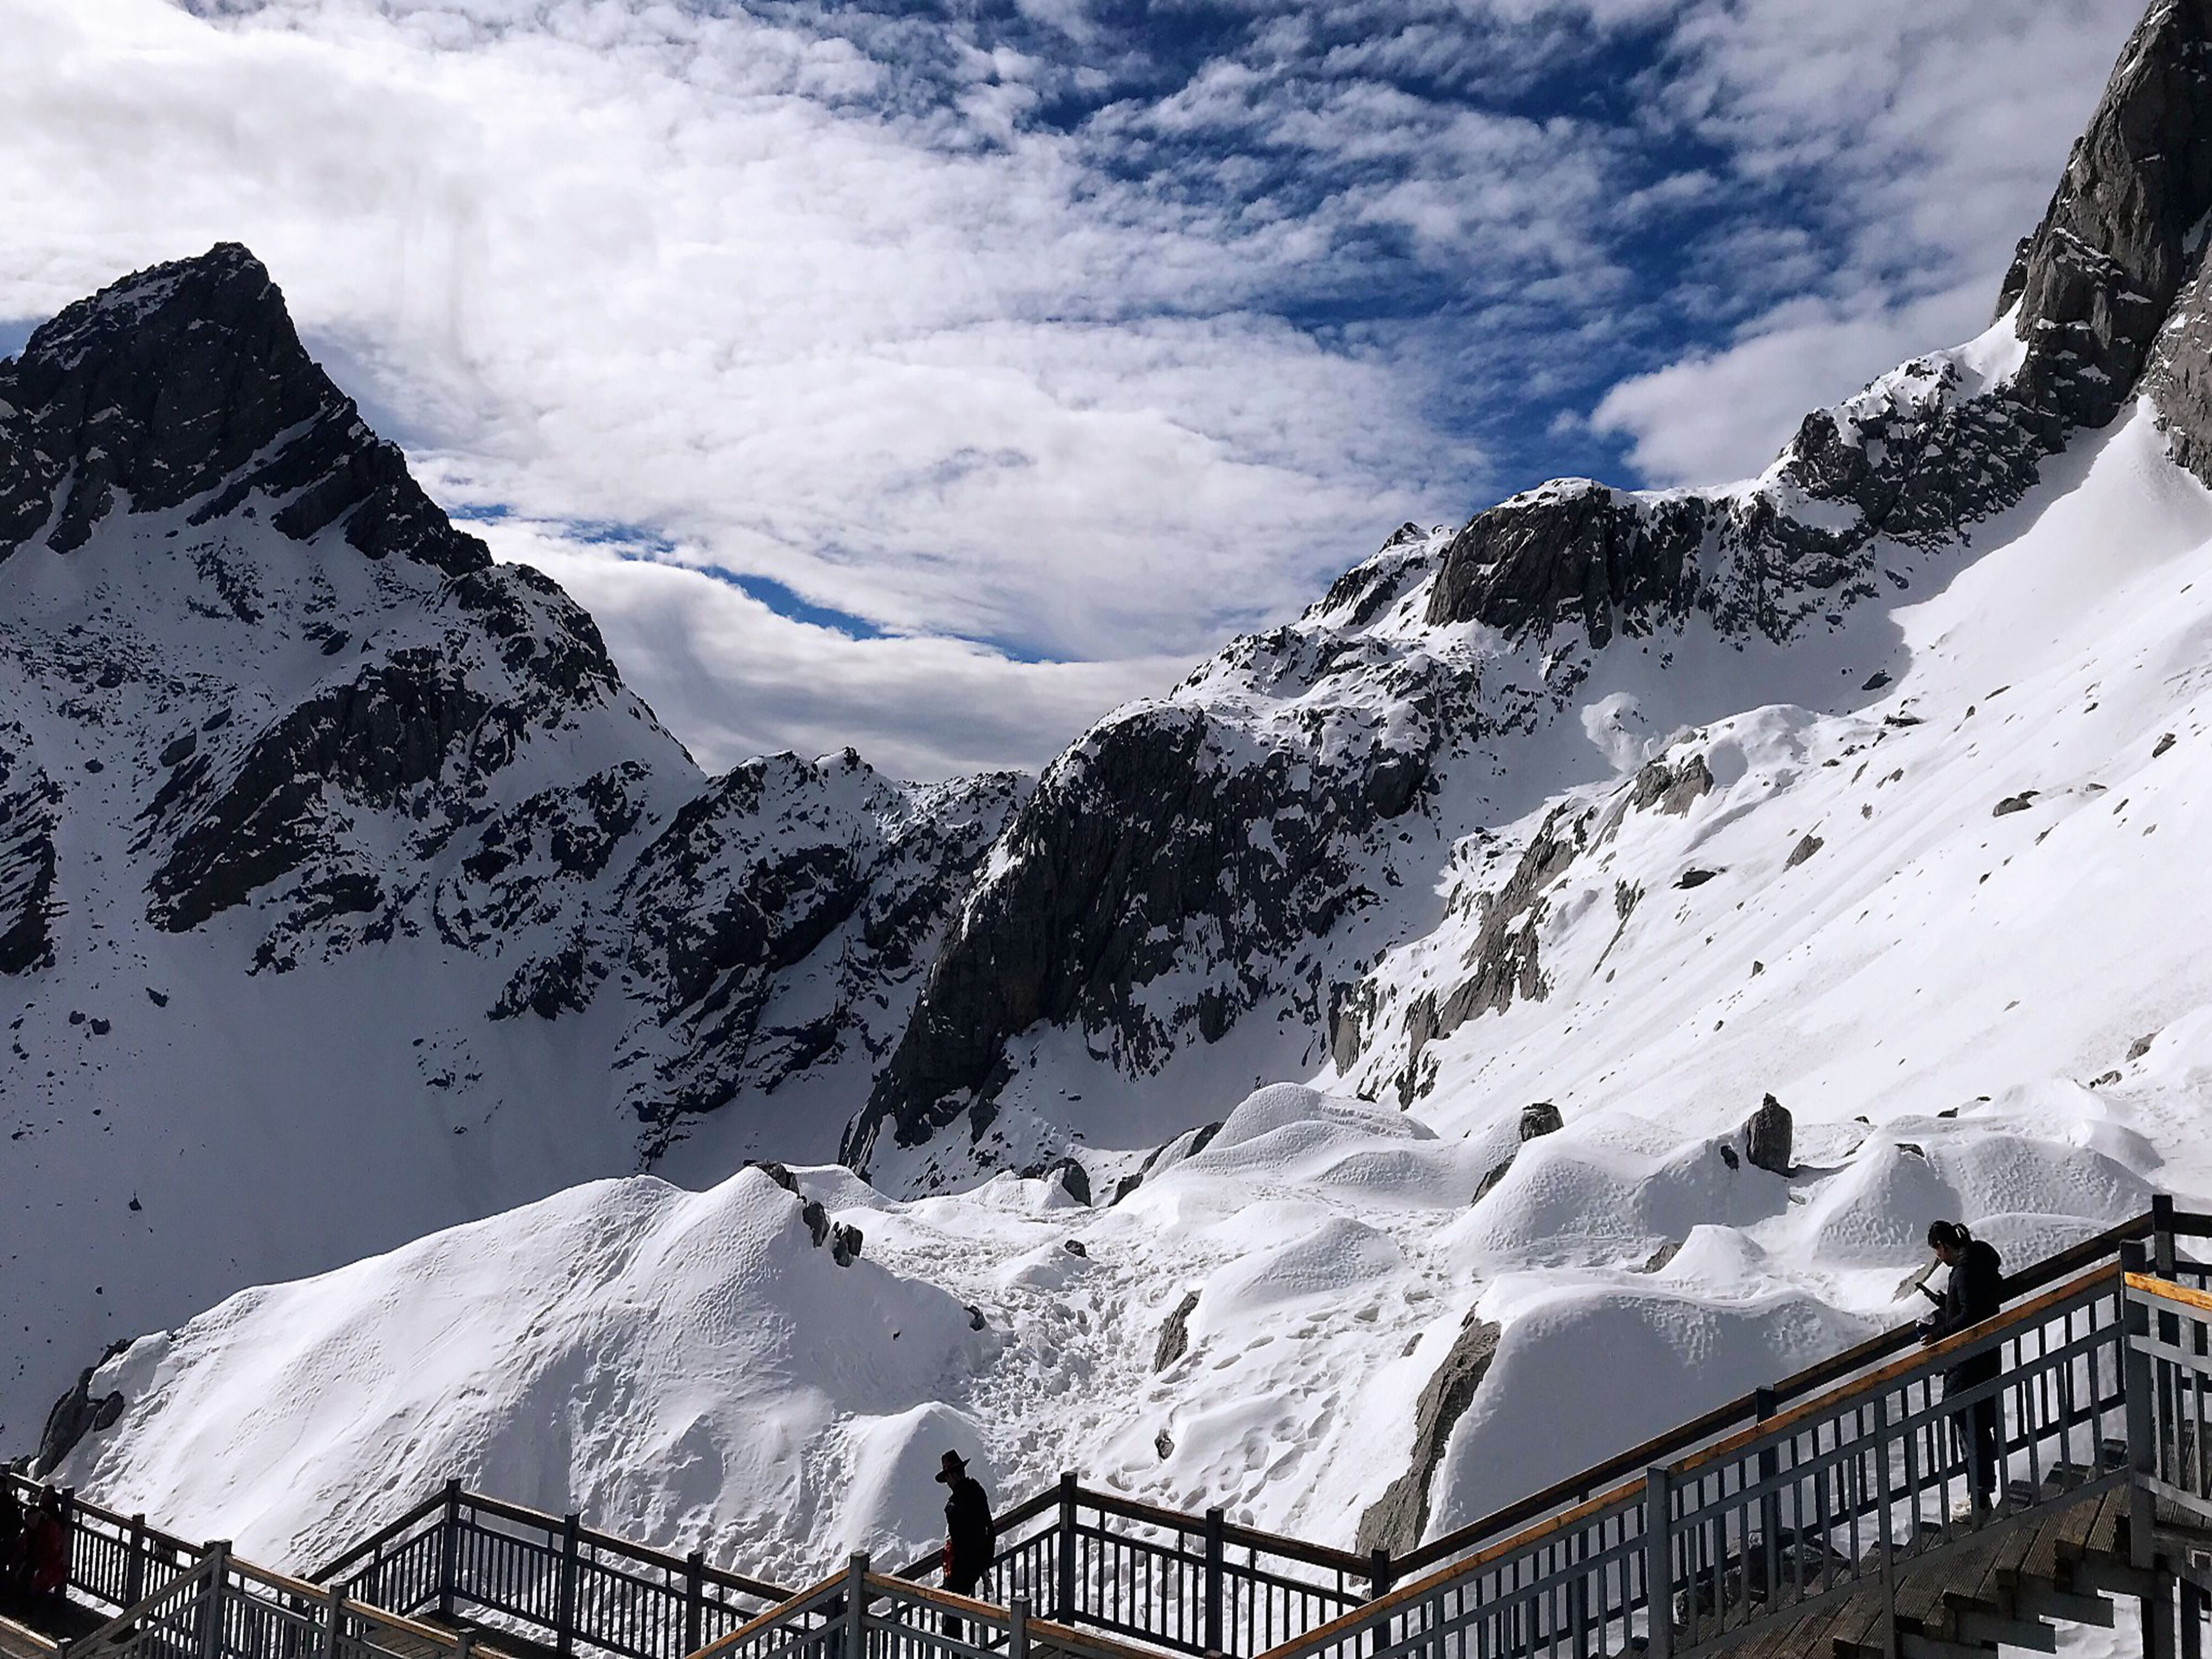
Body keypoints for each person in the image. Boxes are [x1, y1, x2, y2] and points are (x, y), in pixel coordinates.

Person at [1919, 1219, 2005, 1514]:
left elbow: (1972, 1314)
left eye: (1937, 1251)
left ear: (1943, 1246)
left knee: (1969, 1424)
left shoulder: (1965, 1271)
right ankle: (1981, 1495)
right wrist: (1948, 1305)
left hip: (1968, 1363)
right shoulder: (1980, 1263)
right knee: (1977, 1425)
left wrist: (1937, 1334)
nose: (1938, 1258)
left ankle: (1980, 1499)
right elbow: (1978, 1305)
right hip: (1985, 1358)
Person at [934, 1451, 994, 1638]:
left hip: (961, 1569)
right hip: (978, 1563)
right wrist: (985, 1561)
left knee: (952, 1623)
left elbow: (959, 1540)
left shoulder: (954, 1504)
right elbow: (989, 1529)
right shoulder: (977, 1491)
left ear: (952, 1475)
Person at [21, 1487, 68, 1610]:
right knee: (23, 1573)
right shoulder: (31, 1527)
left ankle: (37, 1608)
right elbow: (25, 1544)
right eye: (41, 1494)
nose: (42, 1497)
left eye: (45, 1495)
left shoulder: (51, 1524)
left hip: (50, 1563)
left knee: (38, 1579)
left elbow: (53, 1551)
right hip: (36, 1558)